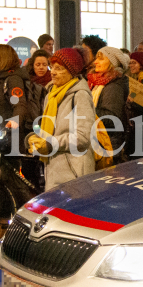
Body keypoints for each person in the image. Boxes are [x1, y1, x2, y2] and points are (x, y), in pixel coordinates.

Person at [27, 48, 95, 189]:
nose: (52, 72)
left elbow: (82, 137)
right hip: (53, 169)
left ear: (71, 71)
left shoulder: (80, 95)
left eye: (59, 68)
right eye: (52, 67)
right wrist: (33, 137)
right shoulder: (51, 94)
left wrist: (51, 143)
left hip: (74, 173)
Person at [88, 46, 130, 163]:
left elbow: (111, 118)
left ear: (112, 63)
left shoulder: (114, 86)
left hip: (110, 143)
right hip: (102, 140)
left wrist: (86, 110)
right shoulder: (98, 82)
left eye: (101, 59)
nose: (95, 62)